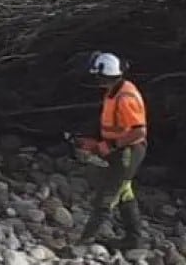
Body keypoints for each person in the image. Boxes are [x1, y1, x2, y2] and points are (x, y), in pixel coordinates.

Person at [70, 51, 149, 251]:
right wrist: (95, 143)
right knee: (124, 193)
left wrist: (110, 146)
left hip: (129, 150)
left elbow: (138, 131)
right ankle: (134, 239)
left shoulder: (125, 97)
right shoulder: (114, 91)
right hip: (122, 149)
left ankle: (84, 242)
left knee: (107, 196)